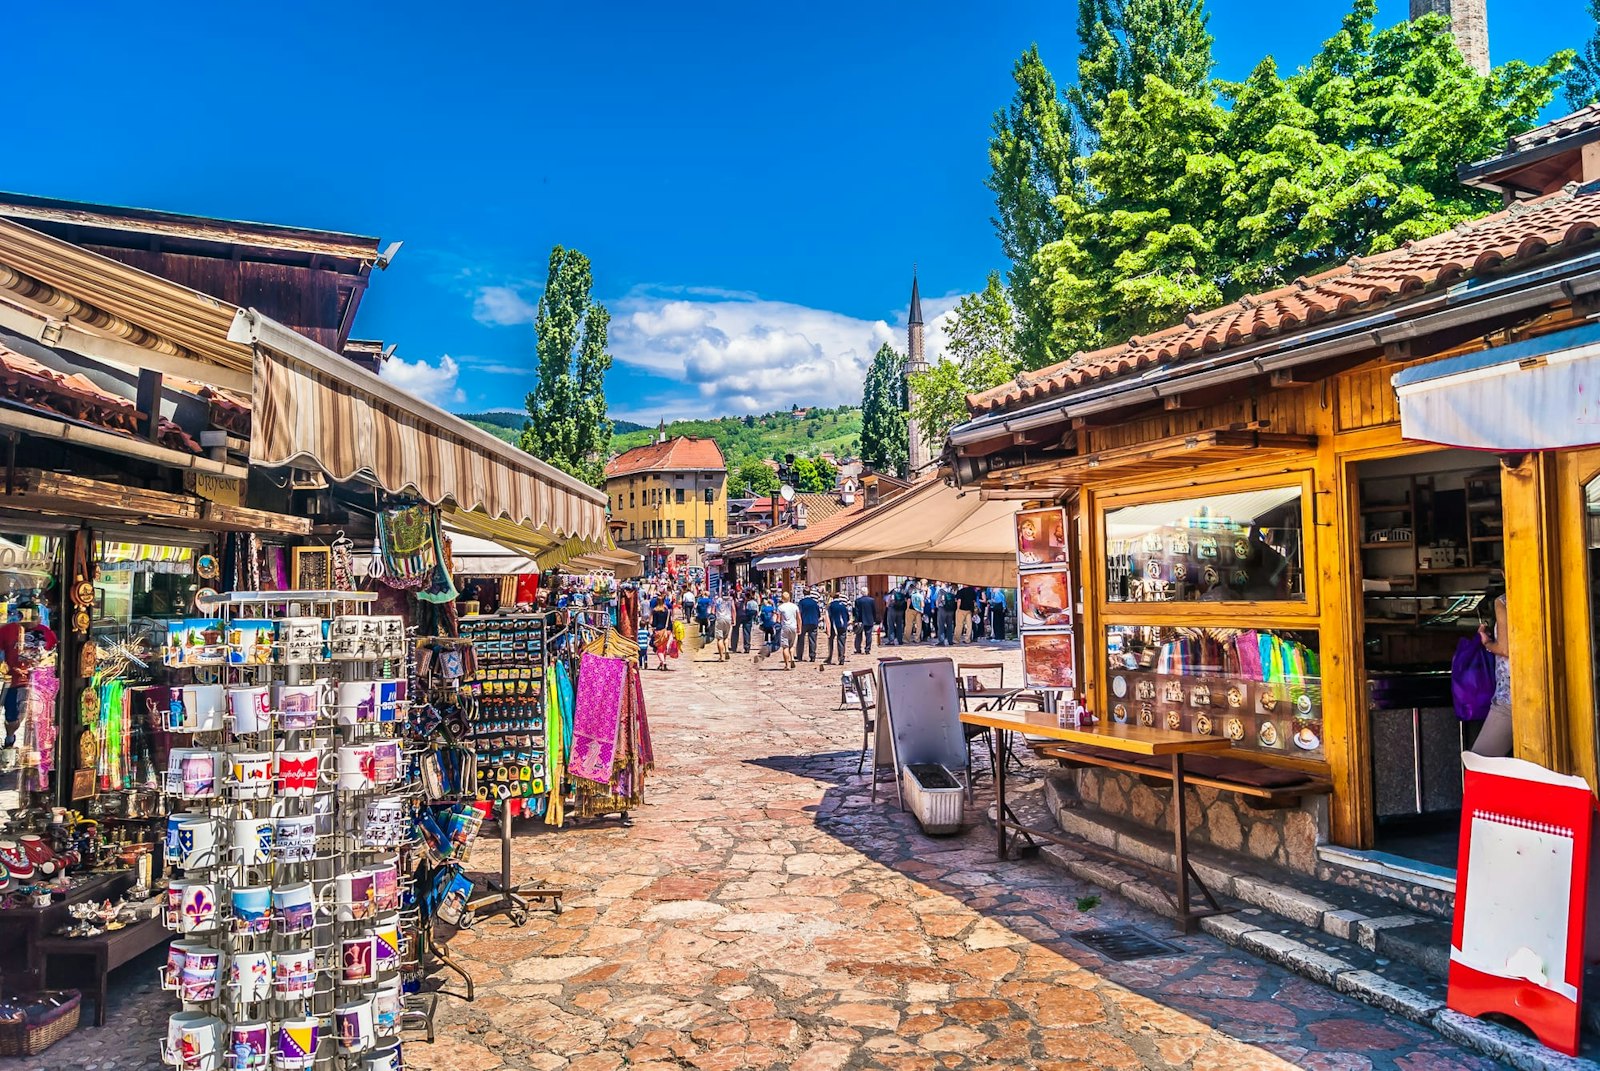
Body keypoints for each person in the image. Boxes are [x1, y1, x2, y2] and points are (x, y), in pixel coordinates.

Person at [1472, 587, 1513, 757]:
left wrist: (1487, 643)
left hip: (1510, 697)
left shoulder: (1503, 601)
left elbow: (1505, 649)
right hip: (1545, 690)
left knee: (1480, 764)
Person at [825, 589, 851, 665]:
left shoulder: (830, 605)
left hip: (834, 625)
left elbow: (828, 617)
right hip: (843, 625)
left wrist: (827, 628)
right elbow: (847, 615)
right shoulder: (843, 605)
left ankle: (830, 657)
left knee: (831, 641)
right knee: (841, 642)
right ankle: (841, 658)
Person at [797, 588, 823, 663]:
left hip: (804, 622)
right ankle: (812, 656)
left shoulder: (801, 602)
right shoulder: (814, 602)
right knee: (812, 640)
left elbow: (799, 613)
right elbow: (818, 613)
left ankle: (799, 655)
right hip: (813, 622)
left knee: (801, 639)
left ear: (803, 593)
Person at [776, 593, 800, 670]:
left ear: (782, 598)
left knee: (785, 647)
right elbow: (798, 618)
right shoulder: (795, 606)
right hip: (794, 626)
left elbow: (778, 619)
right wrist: (799, 627)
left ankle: (787, 665)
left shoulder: (780, 607)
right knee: (792, 645)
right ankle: (792, 657)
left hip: (785, 627)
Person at [649, 597, 672, 671]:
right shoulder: (667, 611)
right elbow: (670, 622)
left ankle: (663, 662)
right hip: (666, 631)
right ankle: (661, 664)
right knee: (664, 648)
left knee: (659, 649)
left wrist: (651, 623)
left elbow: (654, 623)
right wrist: (670, 630)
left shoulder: (655, 611)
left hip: (658, 631)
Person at [853, 588, 878, 655]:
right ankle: (867, 649)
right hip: (869, 620)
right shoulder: (871, 600)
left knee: (858, 635)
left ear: (861, 592)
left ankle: (858, 649)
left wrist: (856, 620)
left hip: (860, 620)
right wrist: (874, 619)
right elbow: (874, 611)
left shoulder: (858, 601)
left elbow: (856, 612)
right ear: (867, 592)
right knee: (868, 635)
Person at [712, 591, 735, 662]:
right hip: (728, 619)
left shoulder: (717, 600)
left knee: (719, 639)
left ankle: (721, 656)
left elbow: (713, 611)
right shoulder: (731, 600)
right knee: (726, 637)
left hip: (719, 619)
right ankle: (727, 649)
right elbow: (733, 610)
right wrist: (734, 619)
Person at [738, 589, 758, 654]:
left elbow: (744, 609)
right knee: (748, 632)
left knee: (746, 632)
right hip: (751, 619)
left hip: (746, 618)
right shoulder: (755, 603)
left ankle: (746, 647)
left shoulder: (748, 603)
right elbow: (756, 611)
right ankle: (747, 646)